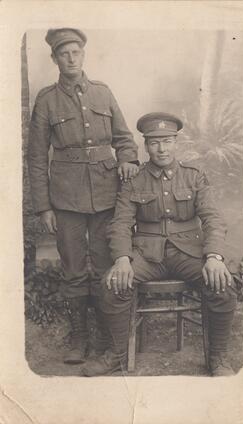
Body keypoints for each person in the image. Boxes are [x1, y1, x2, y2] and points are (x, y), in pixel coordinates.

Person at [81, 112, 237, 377]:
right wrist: (122, 259)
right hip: (147, 255)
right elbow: (119, 224)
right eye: (154, 143)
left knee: (222, 285)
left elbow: (212, 218)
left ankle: (218, 358)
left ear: (176, 142)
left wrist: (214, 256)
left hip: (189, 251)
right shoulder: (134, 180)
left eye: (166, 141)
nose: (161, 148)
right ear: (146, 146)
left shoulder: (194, 175)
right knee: (112, 284)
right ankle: (116, 356)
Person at [28, 28, 139, 365]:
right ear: (55, 59)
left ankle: (106, 337)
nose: (72, 58)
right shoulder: (47, 100)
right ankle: (79, 338)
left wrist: (128, 160)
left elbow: (124, 138)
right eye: (64, 53)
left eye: (76, 51)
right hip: (66, 199)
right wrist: (44, 205)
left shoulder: (103, 93)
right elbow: (35, 156)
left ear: (84, 54)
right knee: (74, 266)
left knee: (106, 263)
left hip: (107, 194)